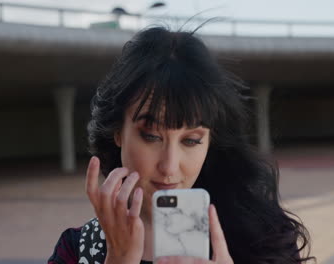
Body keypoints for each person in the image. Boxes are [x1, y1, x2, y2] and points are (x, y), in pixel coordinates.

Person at [48, 26, 314, 264]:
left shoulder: (263, 238)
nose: (169, 166)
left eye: (191, 140)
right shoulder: (76, 249)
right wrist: (118, 260)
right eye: (151, 136)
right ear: (118, 132)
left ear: (210, 141)